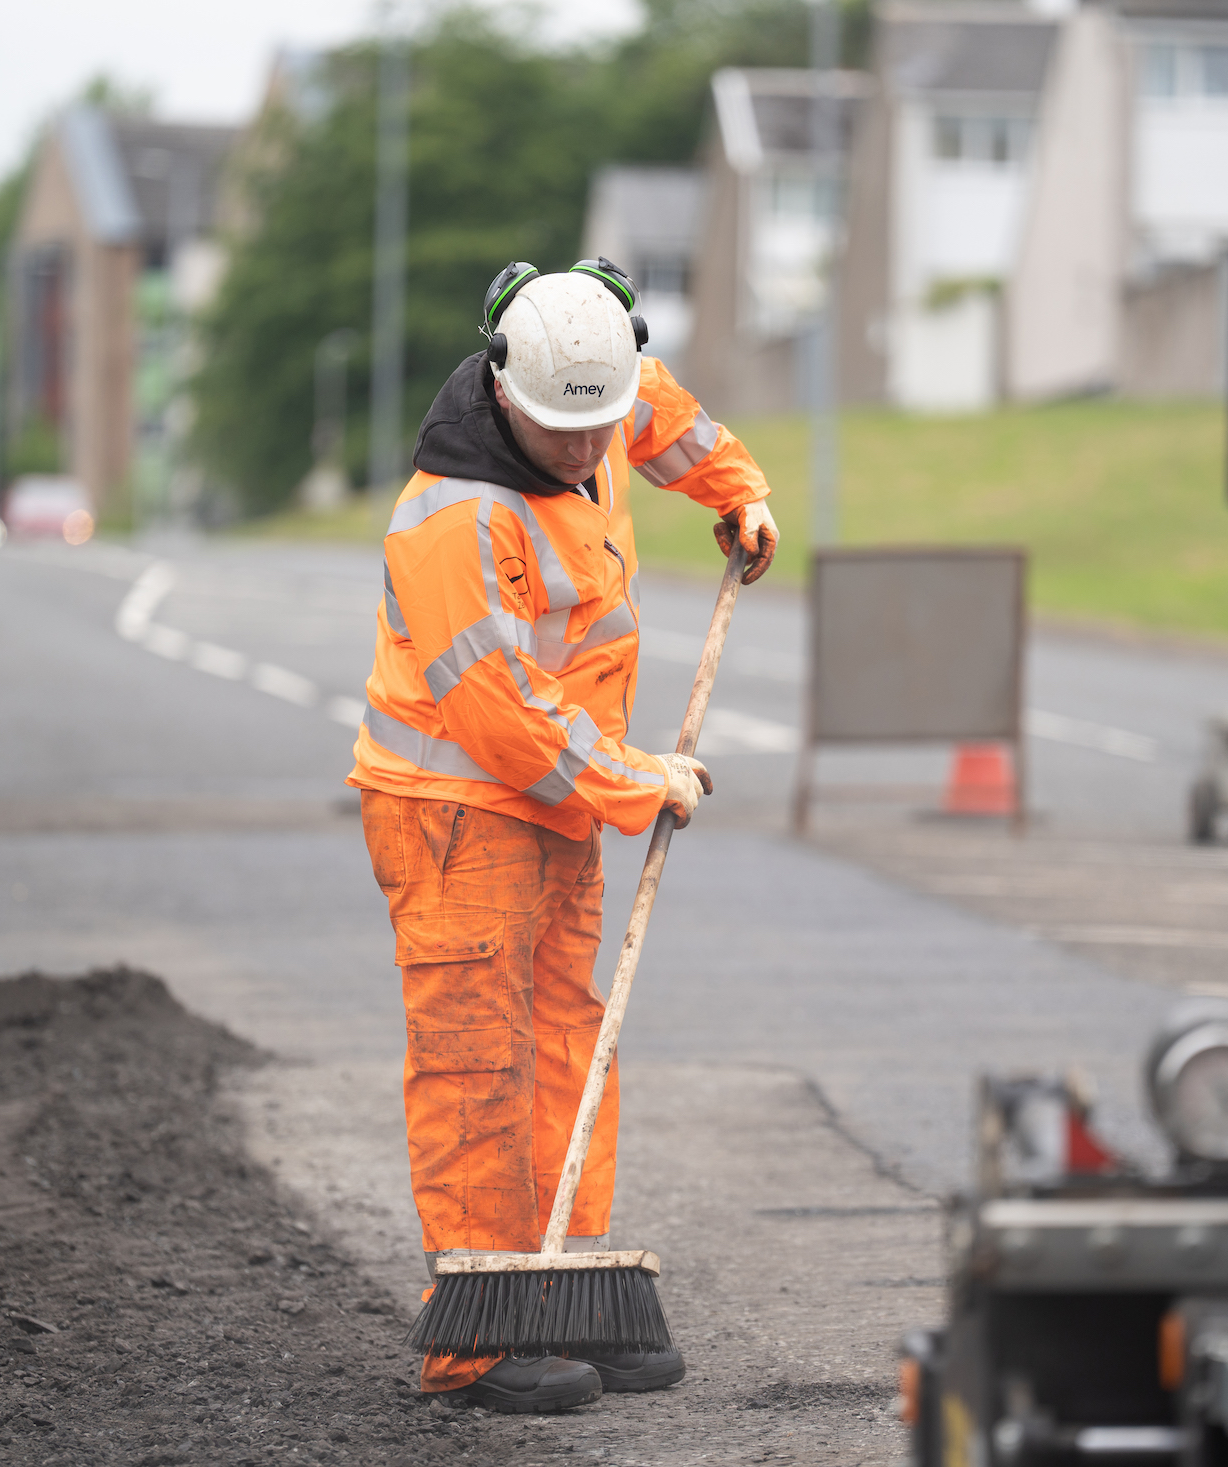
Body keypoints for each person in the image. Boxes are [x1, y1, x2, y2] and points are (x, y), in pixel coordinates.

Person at [345, 259, 779, 1413]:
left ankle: (570, 1291)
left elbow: (663, 416)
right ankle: (479, 1337)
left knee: (569, 1046)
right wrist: (637, 783)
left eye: (603, 426)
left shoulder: (585, 387)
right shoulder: (455, 521)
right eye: (567, 435)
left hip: (557, 808)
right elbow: (500, 711)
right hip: (459, 813)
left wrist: (737, 489)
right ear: (504, 392)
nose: (595, 453)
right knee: (477, 1065)